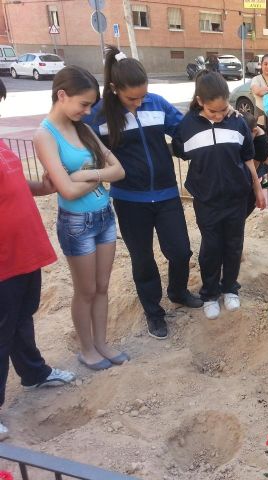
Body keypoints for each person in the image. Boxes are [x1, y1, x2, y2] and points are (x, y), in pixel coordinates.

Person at [84, 45, 202, 341]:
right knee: (143, 260)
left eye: (142, 96)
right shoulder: (99, 116)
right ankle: (154, 312)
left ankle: (177, 291)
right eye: (131, 98)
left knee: (179, 251)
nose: (138, 102)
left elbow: (184, 130)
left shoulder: (157, 104)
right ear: (114, 89)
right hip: (129, 200)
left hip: (165, 195)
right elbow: (79, 145)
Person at [34, 66, 126, 370]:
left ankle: (102, 343)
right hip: (77, 224)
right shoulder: (44, 135)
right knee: (85, 290)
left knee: (102, 286)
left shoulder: (83, 129)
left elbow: (119, 170)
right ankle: (87, 349)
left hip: (104, 216)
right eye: (83, 104)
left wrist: (87, 174)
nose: (87, 112)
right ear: (62, 95)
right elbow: (67, 191)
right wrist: (100, 177)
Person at [0, 78, 75, 441]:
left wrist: (41, 187)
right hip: (2, 260)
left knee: (21, 318)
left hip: (23, 251)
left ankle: (33, 373)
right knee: (2, 328)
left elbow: (12, 183)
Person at [173, 71, 266, 320]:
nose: (219, 115)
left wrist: (257, 189)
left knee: (234, 245)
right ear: (201, 101)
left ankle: (230, 288)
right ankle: (210, 293)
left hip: (236, 196)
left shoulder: (236, 122)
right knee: (211, 247)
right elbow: (181, 151)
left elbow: (248, 158)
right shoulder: (187, 126)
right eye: (213, 111)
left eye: (224, 109)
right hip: (206, 199)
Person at [242, 112, 268, 195]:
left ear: (255, 131)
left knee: (251, 179)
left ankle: (260, 184)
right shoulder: (254, 128)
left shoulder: (261, 145)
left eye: (246, 137)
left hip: (262, 165)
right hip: (258, 159)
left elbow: (254, 167)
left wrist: (253, 180)